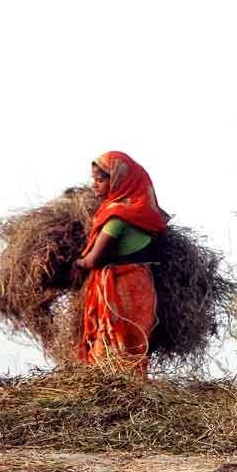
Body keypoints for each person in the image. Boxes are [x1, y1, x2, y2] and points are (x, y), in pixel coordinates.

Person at [74, 151, 169, 374]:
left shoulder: (116, 218)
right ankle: (132, 393)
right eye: (94, 179)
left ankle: (111, 393)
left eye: (101, 179)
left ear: (118, 180)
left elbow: (93, 260)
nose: (94, 185)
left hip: (119, 286)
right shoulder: (146, 214)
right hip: (143, 285)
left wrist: (77, 264)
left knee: (111, 344)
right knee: (134, 347)